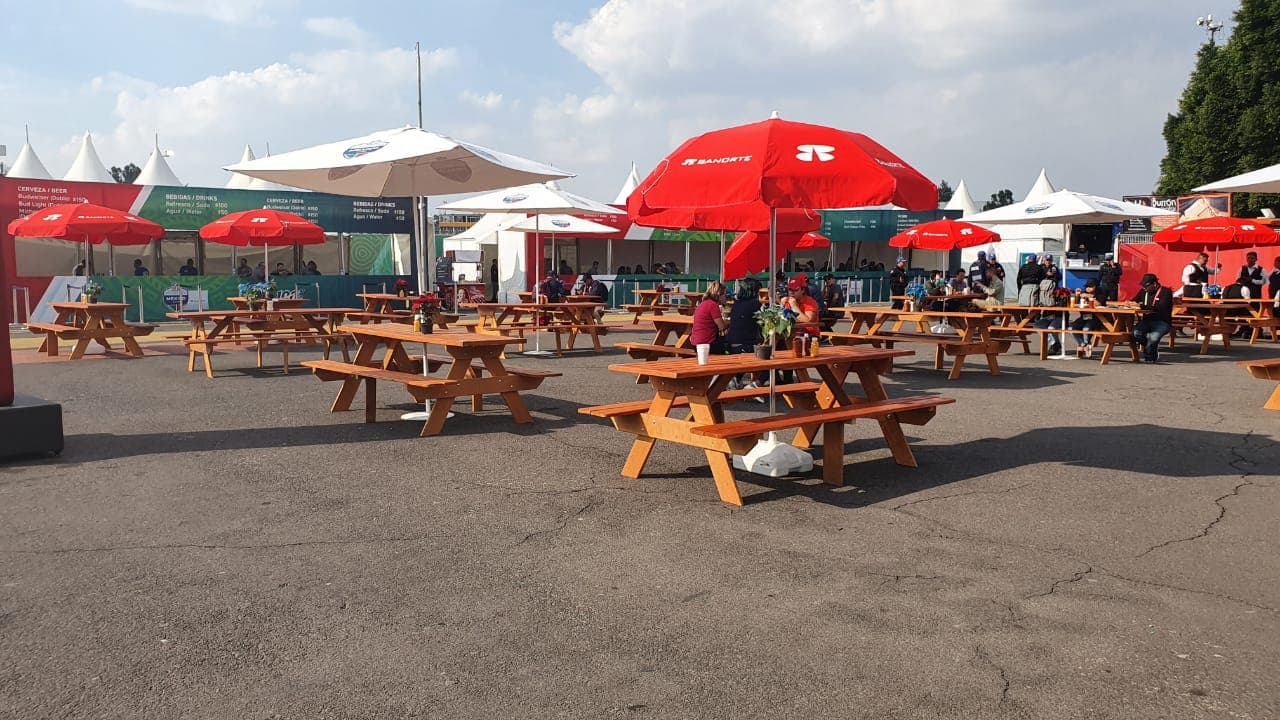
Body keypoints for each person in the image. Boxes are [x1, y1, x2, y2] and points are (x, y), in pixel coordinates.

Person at [724, 278, 765, 397]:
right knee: (771, 355)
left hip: (730, 343)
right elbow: (762, 323)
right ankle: (757, 383)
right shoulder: (756, 304)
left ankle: (735, 379)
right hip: (745, 345)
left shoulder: (736, 304)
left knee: (748, 351)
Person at [1130, 273, 1174, 363]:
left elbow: (1161, 307)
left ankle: (1149, 355)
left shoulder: (1166, 292)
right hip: (1147, 320)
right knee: (1135, 333)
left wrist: (1142, 306)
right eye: (1143, 286)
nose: (1144, 288)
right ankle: (1150, 347)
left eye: (1146, 286)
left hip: (1162, 321)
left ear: (1154, 284)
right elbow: (1134, 300)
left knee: (1153, 337)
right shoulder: (1143, 291)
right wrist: (1130, 303)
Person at [690, 280, 729, 356]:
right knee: (730, 342)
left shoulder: (702, 304)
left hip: (695, 343)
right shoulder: (713, 305)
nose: (725, 297)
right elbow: (721, 326)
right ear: (719, 295)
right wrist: (730, 322)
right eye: (724, 294)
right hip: (707, 344)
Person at [782, 273, 820, 338]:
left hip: (809, 336)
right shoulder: (788, 301)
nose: (792, 292)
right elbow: (785, 318)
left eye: (795, 289)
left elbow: (808, 320)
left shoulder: (810, 302)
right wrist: (781, 304)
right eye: (790, 289)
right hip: (792, 335)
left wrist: (794, 306)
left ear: (803, 290)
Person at [1070, 278, 1101, 357]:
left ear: (1095, 287)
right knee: (1072, 327)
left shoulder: (1100, 293)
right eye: (1087, 286)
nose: (1088, 288)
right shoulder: (1083, 293)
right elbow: (1076, 304)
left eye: (1090, 286)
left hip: (1096, 318)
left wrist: (1090, 296)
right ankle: (1083, 344)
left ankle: (1086, 345)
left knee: (1086, 329)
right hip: (1084, 317)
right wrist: (1076, 295)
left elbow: (1099, 304)